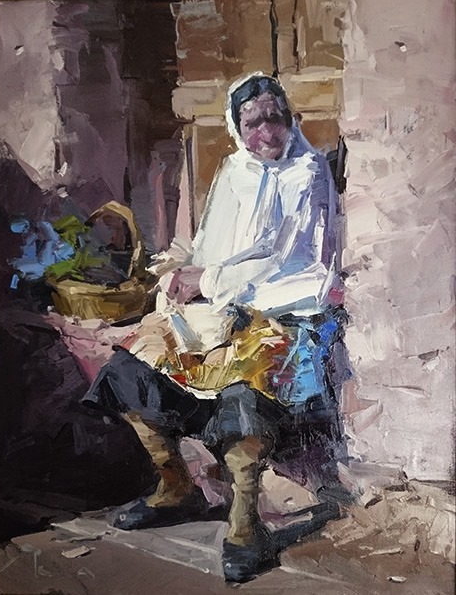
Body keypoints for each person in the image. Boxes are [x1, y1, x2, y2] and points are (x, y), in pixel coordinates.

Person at [81, 73, 345, 583]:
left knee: (244, 392)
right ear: (235, 127)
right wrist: (180, 270)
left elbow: (289, 263)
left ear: (289, 119)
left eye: (275, 118)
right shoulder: (232, 171)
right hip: (219, 308)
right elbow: (208, 247)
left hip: (287, 309)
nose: (266, 132)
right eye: (253, 122)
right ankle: (174, 486)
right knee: (130, 366)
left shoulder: (307, 173)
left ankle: (245, 525)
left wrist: (210, 281)